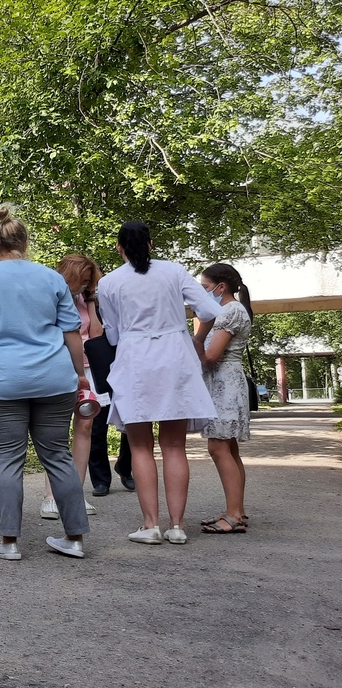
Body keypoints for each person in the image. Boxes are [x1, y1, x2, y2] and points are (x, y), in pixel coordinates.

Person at [0, 205, 90, 561]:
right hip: (54, 379)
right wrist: (80, 374)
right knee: (57, 455)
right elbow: (71, 331)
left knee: (8, 457)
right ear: (26, 242)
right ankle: (74, 539)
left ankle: (9, 543)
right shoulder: (51, 278)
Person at [97, 222, 221, 546]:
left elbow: (111, 333)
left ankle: (150, 524)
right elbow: (209, 310)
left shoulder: (109, 282)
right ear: (151, 244)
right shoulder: (174, 272)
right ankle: (177, 526)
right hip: (174, 356)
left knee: (140, 446)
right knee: (174, 446)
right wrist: (196, 338)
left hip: (135, 359)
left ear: (119, 247)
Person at [39, 255, 104, 520]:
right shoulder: (49, 295)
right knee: (55, 431)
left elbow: (96, 334)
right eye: (85, 281)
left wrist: (89, 299)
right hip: (59, 367)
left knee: (86, 425)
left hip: (86, 369)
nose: (87, 285)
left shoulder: (82, 299)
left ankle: (75, 493)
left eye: (90, 282)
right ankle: (50, 496)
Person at [194, 263, 254, 534]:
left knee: (218, 447)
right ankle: (236, 511)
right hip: (228, 381)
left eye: (206, 288)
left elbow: (210, 356)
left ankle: (232, 515)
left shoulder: (230, 311)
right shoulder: (234, 309)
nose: (203, 293)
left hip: (223, 383)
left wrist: (197, 336)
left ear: (221, 287)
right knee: (228, 448)